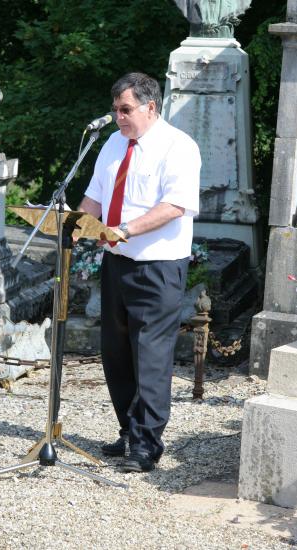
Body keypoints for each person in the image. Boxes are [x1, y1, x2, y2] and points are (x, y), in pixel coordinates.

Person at [79, 72, 201, 473]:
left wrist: (126, 229)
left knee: (150, 355)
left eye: (125, 109)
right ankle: (128, 430)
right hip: (116, 262)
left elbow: (175, 206)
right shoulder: (114, 144)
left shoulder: (178, 147)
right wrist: (72, 224)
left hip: (158, 265)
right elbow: (94, 199)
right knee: (115, 353)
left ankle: (147, 444)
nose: (118, 117)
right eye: (115, 109)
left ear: (151, 107)